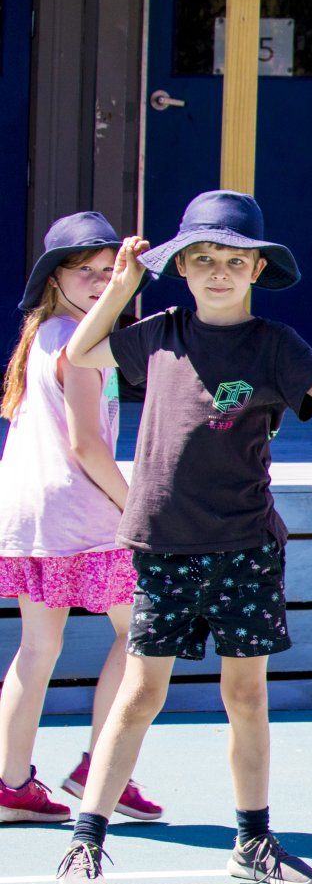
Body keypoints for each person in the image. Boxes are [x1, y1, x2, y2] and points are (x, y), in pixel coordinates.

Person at [53, 191, 312, 884]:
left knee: (245, 694)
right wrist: (122, 286)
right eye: (203, 259)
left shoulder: (276, 346)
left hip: (245, 552)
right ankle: (85, 842)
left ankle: (252, 842)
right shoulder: (159, 333)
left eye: (234, 260)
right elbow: (80, 354)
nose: (219, 271)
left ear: (256, 270)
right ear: (182, 267)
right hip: (163, 549)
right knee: (141, 692)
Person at [0, 213, 162, 825]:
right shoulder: (83, 347)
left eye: (106, 271)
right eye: (83, 271)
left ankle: (11, 785)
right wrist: (137, 507)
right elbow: (87, 446)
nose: (98, 281)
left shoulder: (43, 335)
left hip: (28, 517)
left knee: (37, 647)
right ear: (54, 279)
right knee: (140, 634)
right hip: (81, 515)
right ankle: (103, 771)